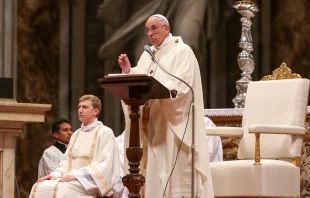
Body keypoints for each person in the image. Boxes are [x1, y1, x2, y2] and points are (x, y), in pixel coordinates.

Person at [118, 14, 214, 198]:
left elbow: (184, 85)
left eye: (154, 28)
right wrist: (129, 71)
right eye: (147, 30)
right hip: (149, 123)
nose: (150, 34)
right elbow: (142, 78)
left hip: (170, 123)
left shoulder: (182, 51)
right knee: (151, 169)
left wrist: (162, 91)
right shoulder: (148, 55)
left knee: (171, 168)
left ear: (166, 29)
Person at [29, 95, 122, 198]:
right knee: (39, 186)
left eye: (85, 107)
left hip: (92, 182)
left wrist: (77, 175)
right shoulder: (76, 134)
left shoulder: (105, 132)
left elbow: (104, 164)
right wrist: (56, 174)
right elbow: (66, 161)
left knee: (63, 189)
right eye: (79, 107)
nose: (80, 110)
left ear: (95, 111)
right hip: (73, 179)